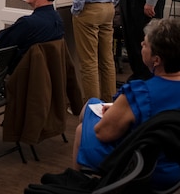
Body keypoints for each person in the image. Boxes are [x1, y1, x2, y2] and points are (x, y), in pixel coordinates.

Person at [72, 18, 180, 191]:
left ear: (157, 60)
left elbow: (103, 134)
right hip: (173, 169)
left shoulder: (140, 92)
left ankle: (79, 184)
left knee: (83, 124)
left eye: (145, 45)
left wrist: (117, 112)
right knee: (93, 104)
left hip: (138, 169)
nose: (141, 45)